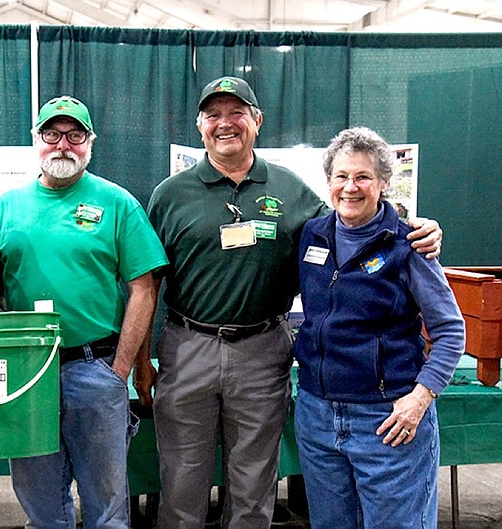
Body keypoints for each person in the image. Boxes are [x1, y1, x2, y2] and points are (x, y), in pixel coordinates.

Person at [137, 76, 444, 529]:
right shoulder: (169, 195)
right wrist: (143, 361)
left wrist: (415, 227)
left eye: (236, 112)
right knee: (181, 482)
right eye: (214, 115)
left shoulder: (292, 190)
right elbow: (147, 286)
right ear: (200, 126)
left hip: (263, 351)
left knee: (254, 484)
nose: (226, 124)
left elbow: (352, 223)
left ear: (257, 121)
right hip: (188, 347)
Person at [0, 95, 168, 529]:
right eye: (51, 134)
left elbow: (143, 287)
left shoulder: (118, 203)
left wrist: (120, 369)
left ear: (90, 143)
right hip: (27, 376)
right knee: (39, 502)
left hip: (95, 369)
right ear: (36, 141)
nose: (62, 144)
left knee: (106, 506)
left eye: (74, 135)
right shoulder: (6, 207)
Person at [293, 127, 465, 529]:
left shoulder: (410, 246)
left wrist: (419, 400)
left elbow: (451, 331)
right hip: (318, 416)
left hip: (387, 421)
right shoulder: (311, 236)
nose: (350, 187)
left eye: (363, 177)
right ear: (329, 182)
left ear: (384, 183)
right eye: (341, 176)